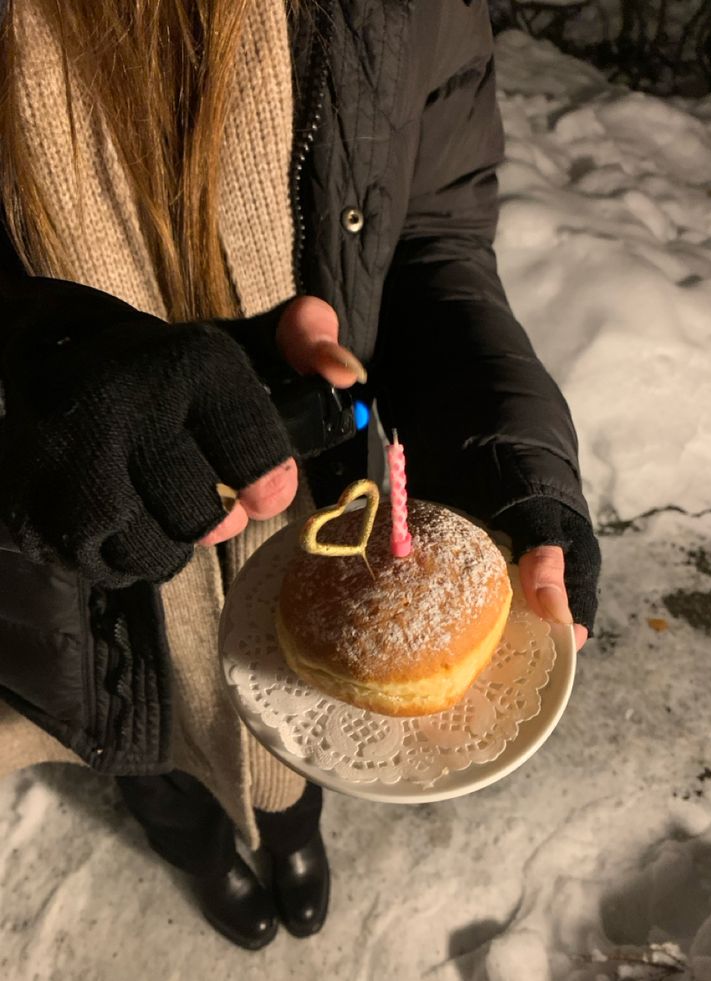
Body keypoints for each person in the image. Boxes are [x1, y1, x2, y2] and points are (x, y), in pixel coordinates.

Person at [0, 0, 601, 953]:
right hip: (79, 579)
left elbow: (431, 233)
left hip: (309, 498)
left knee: (297, 728)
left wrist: (497, 446)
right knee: (147, 743)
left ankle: (290, 830)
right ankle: (196, 845)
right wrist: (21, 384)